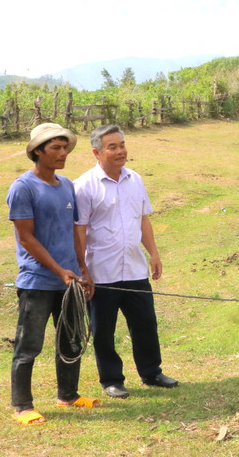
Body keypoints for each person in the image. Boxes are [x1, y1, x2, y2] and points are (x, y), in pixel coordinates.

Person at [74, 124, 179, 399]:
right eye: (113, 146)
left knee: (145, 322)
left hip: (134, 267)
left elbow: (143, 219)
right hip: (101, 271)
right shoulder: (84, 186)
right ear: (97, 152)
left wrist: (153, 253)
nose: (120, 151)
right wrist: (83, 270)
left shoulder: (136, 180)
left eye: (122, 144)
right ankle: (111, 379)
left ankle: (151, 371)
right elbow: (80, 231)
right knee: (103, 329)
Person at [7, 123, 99, 425]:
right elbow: (26, 239)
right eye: (56, 148)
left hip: (69, 280)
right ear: (37, 152)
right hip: (38, 282)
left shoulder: (67, 185)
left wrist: (83, 269)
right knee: (29, 344)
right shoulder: (23, 188)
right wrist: (60, 270)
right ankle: (22, 405)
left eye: (65, 147)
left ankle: (68, 395)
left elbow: (73, 231)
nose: (63, 153)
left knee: (71, 341)